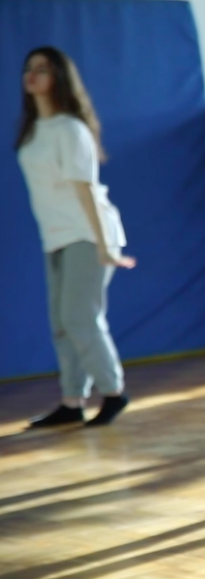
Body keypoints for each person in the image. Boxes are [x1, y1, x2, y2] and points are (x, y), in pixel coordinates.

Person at [16, 47, 133, 429]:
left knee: (80, 316)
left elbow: (86, 190)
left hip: (87, 232)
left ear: (59, 79)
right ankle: (72, 400)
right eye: (28, 69)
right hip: (57, 237)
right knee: (61, 323)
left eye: (42, 70)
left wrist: (103, 246)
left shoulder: (71, 129)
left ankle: (114, 393)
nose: (32, 75)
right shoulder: (34, 129)